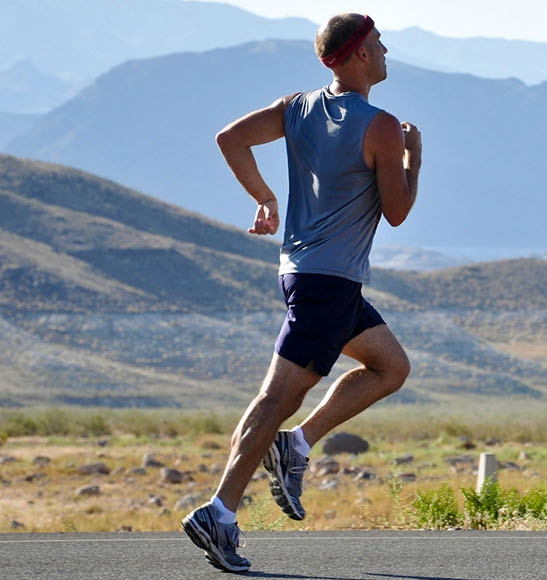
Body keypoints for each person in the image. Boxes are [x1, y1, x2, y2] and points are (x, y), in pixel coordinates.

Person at [181, 12, 421, 572]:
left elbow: (230, 138)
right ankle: (219, 512)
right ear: (360, 53)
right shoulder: (382, 126)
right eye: (380, 45)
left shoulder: (298, 107)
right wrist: (414, 157)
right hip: (329, 283)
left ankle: (297, 444)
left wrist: (265, 198)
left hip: (306, 275)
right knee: (276, 398)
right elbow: (398, 211)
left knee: (390, 366)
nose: (387, 53)